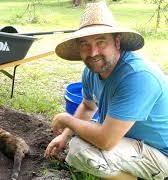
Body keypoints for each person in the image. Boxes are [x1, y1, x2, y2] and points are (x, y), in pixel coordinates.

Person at [44, 2, 168, 180]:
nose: (93, 52)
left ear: (117, 42)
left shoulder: (138, 76)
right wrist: (64, 136)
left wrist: (66, 119)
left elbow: (106, 140)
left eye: (100, 42)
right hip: (130, 139)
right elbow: (88, 107)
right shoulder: (91, 70)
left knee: (81, 152)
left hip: (161, 152)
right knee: (75, 146)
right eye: (85, 44)